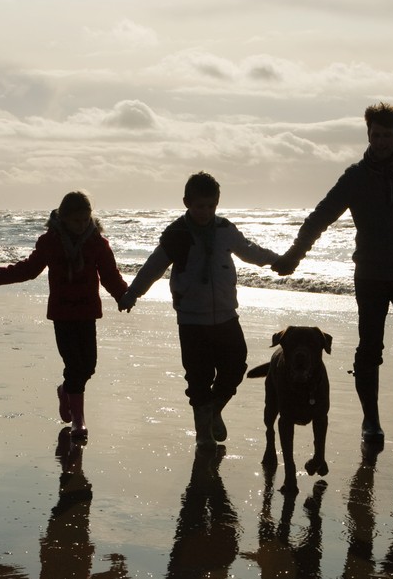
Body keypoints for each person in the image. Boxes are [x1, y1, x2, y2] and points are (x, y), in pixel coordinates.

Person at [274, 103, 393, 450]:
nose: (380, 142)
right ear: (368, 135)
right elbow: (321, 216)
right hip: (371, 276)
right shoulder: (355, 177)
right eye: (375, 135)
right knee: (370, 349)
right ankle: (371, 422)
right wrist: (295, 254)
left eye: (387, 135)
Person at [119, 171, 283, 447]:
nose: (205, 212)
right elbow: (153, 266)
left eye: (211, 206)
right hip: (192, 320)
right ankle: (203, 434)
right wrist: (133, 293)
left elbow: (249, 250)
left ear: (217, 203)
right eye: (199, 206)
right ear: (187, 203)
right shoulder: (177, 235)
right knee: (198, 377)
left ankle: (214, 409)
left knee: (235, 366)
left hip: (226, 315)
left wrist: (278, 261)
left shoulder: (225, 229)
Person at [0, 191, 128, 441]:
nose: (81, 225)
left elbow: (109, 275)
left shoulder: (97, 242)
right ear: (63, 218)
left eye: (86, 220)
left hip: (87, 312)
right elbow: (29, 270)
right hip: (62, 313)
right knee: (74, 366)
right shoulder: (50, 241)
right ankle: (79, 422)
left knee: (88, 366)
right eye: (76, 221)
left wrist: (124, 296)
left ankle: (65, 391)